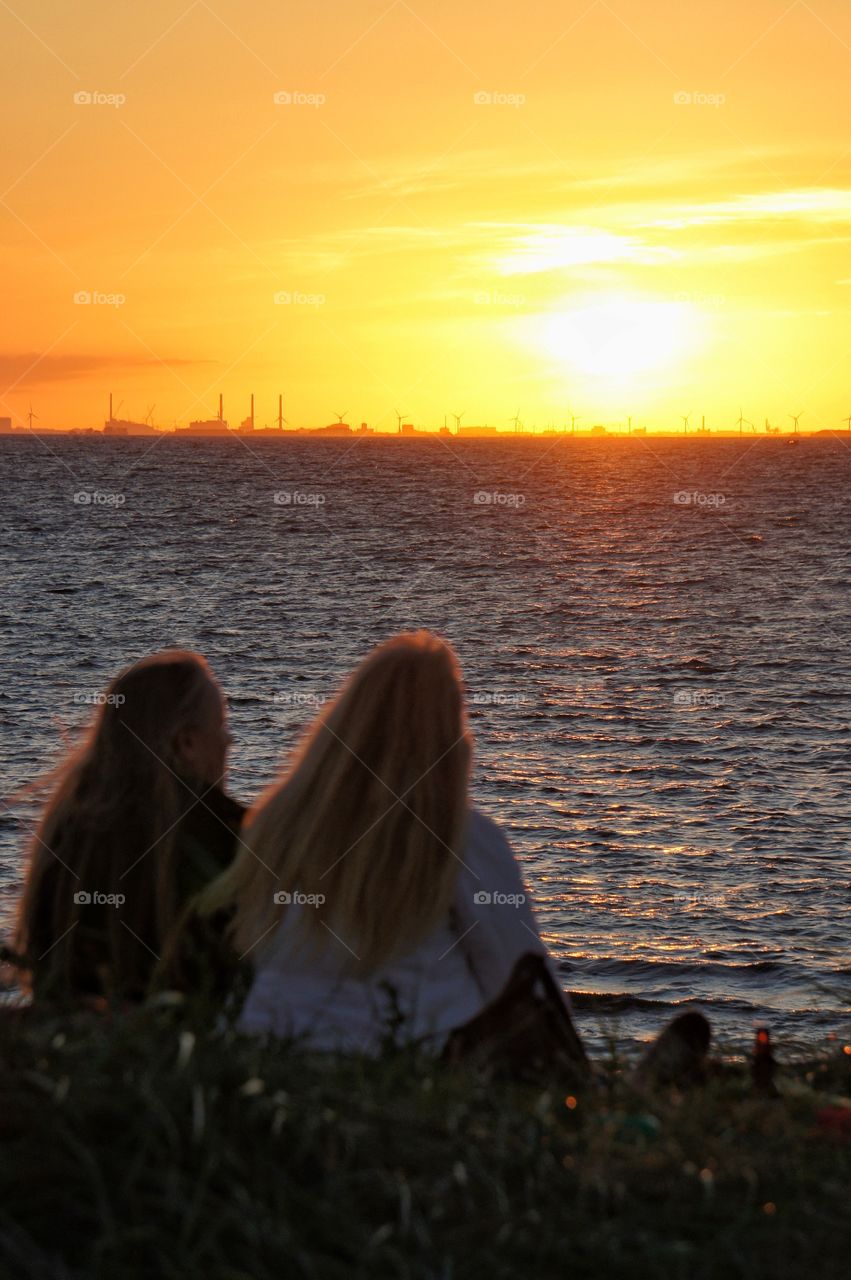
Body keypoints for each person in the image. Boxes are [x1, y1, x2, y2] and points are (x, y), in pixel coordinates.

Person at [197, 631, 593, 1074]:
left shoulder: (281, 831)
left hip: (272, 1068)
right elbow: (523, 981)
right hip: (414, 1078)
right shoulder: (461, 839)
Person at [10, 650, 245, 1007]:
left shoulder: (67, 832)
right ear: (187, 742)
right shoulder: (222, 837)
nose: (230, 741)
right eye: (222, 726)